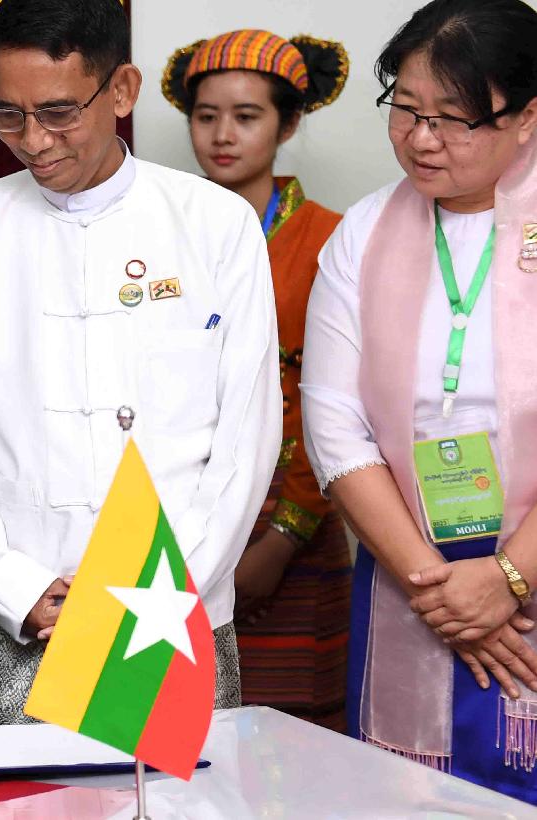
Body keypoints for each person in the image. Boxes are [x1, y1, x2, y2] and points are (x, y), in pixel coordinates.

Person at [0, 0, 281, 725]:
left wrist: (162, 591)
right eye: (8, 115)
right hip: (30, 608)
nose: (33, 141)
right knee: (29, 788)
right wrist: (10, 585)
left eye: (57, 112)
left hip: (172, 603)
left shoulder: (214, 224)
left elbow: (247, 433)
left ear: (122, 91)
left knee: (181, 787)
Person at [302, 0, 537, 799]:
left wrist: (508, 577)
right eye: (405, 109)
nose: (422, 138)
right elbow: (333, 423)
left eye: (454, 118)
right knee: (406, 799)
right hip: (409, 563)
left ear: (527, 117)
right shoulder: (364, 232)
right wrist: (436, 588)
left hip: (531, 560)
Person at [163, 30, 353, 731]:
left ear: (289, 123)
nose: (222, 135)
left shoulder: (333, 238)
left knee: (299, 739)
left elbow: (341, 403)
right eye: (206, 115)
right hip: (183, 510)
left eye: (246, 117)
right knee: (188, 731)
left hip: (300, 512)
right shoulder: (159, 236)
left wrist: (281, 538)